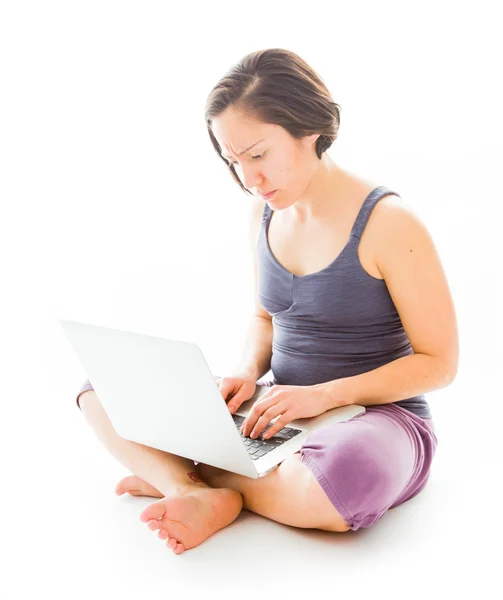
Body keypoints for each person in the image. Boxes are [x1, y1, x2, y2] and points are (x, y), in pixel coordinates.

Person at [75, 48, 458, 555]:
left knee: (345, 478)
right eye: (234, 162)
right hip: (278, 414)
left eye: (257, 155)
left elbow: (440, 364)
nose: (249, 179)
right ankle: (195, 489)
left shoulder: (391, 224)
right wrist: (245, 375)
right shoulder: (263, 212)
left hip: (375, 419)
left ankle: (190, 478)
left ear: (310, 127)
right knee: (102, 388)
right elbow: (265, 317)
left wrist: (324, 396)